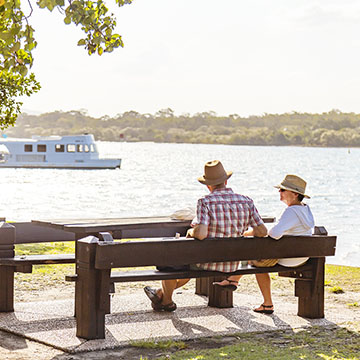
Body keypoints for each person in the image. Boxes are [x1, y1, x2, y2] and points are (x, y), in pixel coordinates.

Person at [143, 160, 267, 312]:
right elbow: (262, 231)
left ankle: (166, 299)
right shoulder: (247, 201)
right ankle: (162, 295)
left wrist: (190, 232)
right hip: (233, 264)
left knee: (169, 260)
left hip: (207, 263)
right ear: (226, 181)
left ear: (208, 185)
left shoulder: (205, 201)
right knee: (182, 262)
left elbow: (201, 234)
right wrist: (241, 232)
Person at [217, 174, 315, 315]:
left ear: (294, 194)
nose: (279, 192)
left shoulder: (292, 211)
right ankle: (240, 286)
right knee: (255, 257)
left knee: (255, 259)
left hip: (289, 258)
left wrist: (248, 233)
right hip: (302, 256)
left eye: (282, 190)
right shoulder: (305, 210)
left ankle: (234, 280)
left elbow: (274, 233)